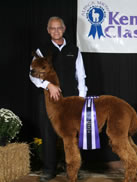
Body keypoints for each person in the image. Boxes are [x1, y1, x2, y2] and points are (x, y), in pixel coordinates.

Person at [29, 16, 87, 181]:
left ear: (64, 29)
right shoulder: (41, 50)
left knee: (73, 134)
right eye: (52, 28)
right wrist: (48, 85)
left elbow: (81, 76)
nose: (56, 31)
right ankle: (49, 169)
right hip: (49, 99)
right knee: (48, 133)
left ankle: (73, 168)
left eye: (59, 28)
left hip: (71, 99)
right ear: (48, 31)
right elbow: (32, 75)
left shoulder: (74, 50)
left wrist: (81, 98)